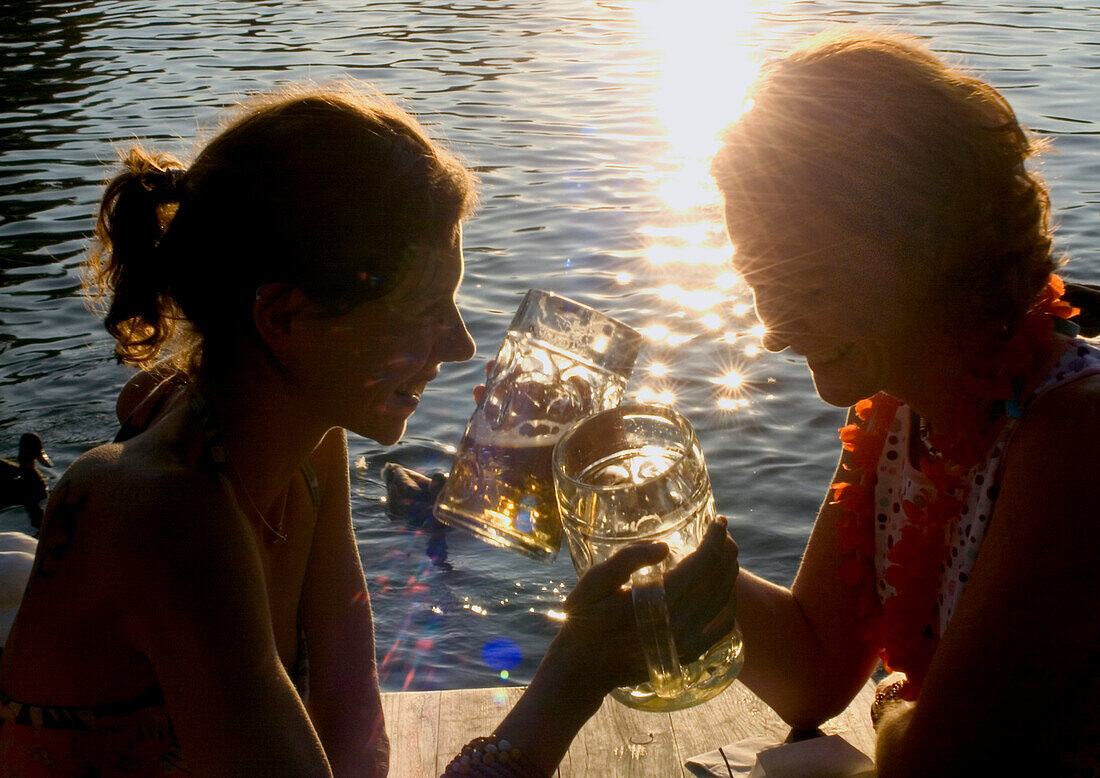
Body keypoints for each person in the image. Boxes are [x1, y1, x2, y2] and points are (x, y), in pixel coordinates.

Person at [0, 85, 740, 777]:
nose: (458, 346)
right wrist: (575, 672)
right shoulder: (169, 517)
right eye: (422, 309)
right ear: (283, 318)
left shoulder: (306, 445)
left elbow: (354, 732)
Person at [709, 31, 1100, 775]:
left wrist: (893, 709)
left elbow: (938, 762)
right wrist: (649, 525)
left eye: (805, 286)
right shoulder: (900, 414)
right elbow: (812, 675)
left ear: (924, 243)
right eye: (760, 285)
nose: (772, 335)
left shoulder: (1075, 436)